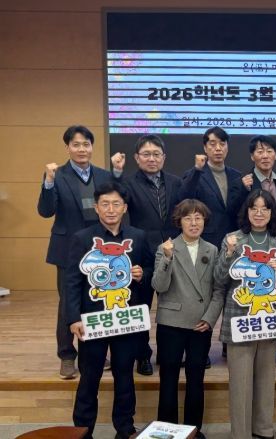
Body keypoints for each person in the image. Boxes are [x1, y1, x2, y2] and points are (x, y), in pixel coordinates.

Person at [64, 181, 154, 439]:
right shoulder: (82, 238)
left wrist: (142, 274)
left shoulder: (138, 237)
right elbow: (71, 281)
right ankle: (82, 431)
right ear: (96, 207)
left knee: (124, 375)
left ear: (124, 207)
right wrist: (73, 319)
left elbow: (151, 270)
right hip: (92, 320)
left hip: (125, 319)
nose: (111, 209)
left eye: (116, 204)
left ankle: (125, 428)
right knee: (89, 378)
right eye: (105, 204)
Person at [207, 189, 276, 439]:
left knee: (266, 378)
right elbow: (219, 279)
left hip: (270, 318)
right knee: (240, 381)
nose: (259, 213)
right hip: (240, 319)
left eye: (264, 208)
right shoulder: (233, 239)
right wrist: (228, 254)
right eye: (254, 208)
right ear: (246, 212)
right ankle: (241, 433)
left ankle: (263, 428)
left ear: (271, 212)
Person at [38, 125, 115, 380]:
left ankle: (93, 352)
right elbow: (46, 211)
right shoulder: (56, 175)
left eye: (86, 144)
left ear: (92, 147)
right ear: (68, 148)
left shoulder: (104, 175)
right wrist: (48, 182)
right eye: (76, 144)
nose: (82, 149)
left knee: (96, 300)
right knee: (68, 303)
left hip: (97, 249)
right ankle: (67, 355)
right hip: (67, 250)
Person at [112, 134, 184, 375]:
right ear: (136, 158)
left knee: (170, 306)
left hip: (171, 251)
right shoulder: (128, 183)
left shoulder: (176, 182)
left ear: (164, 157)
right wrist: (117, 173)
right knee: (141, 306)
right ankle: (142, 355)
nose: (151, 159)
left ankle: (167, 352)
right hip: (142, 253)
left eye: (156, 154)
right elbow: (115, 197)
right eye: (146, 154)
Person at [151, 199, 218, 439]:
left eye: (198, 218)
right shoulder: (166, 247)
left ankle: (193, 430)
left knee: (196, 378)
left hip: (201, 324)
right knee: (168, 378)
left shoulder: (212, 249)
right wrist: (167, 258)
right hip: (171, 323)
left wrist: (210, 319)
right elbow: (159, 286)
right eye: (188, 218)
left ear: (204, 221)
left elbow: (218, 290)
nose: (193, 223)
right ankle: (166, 431)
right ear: (179, 222)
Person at [238, 134, 276, 364]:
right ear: (252, 156)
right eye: (260, 151)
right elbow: (234, 209)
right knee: (247, 291)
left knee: (271, 292)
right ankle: (238, 342)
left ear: (275, 154)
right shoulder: (244, 181)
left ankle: (271, 344)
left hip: (274, 239)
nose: (265, 155)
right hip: (249, 240)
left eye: (269, 151)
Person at [181, 127, 244, 248]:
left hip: (234, 238)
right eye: (213, 144)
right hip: (206, 239)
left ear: (227, 147)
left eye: (222, 144)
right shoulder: (195, 174)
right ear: (205, 148)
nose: (218, 148)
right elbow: (184, 199)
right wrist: (197, 170)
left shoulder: (236, 176)